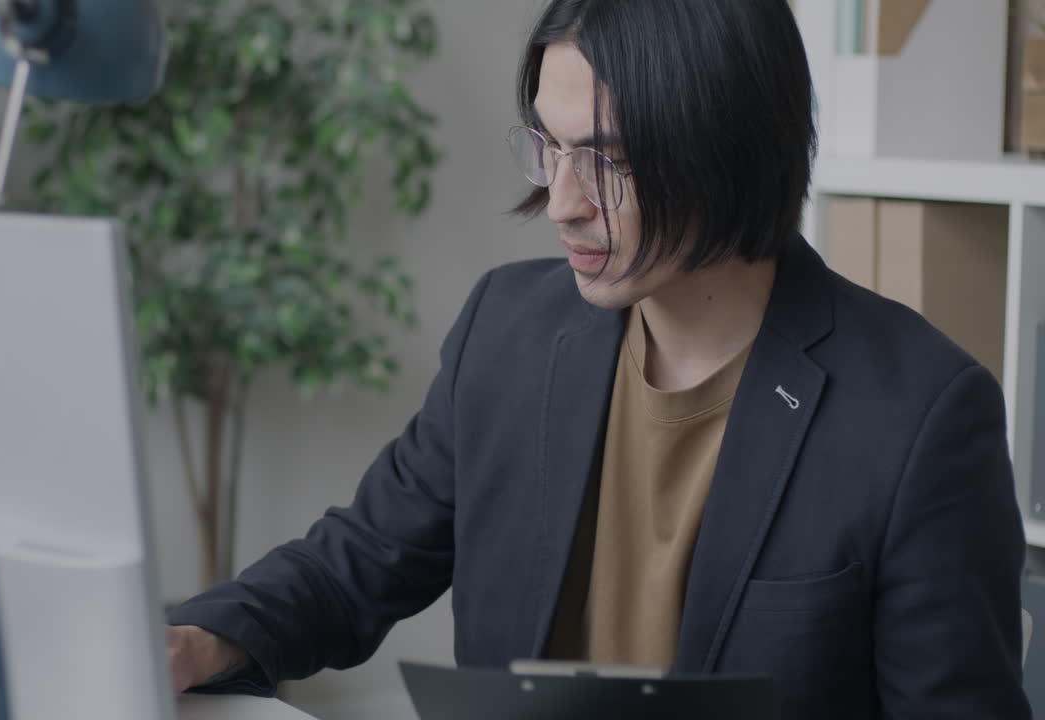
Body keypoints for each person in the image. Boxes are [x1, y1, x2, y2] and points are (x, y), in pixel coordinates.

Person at [165, 1, 1031, 717]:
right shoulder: (506, 332)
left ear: (729, 146)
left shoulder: (920, 415)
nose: (563, 203)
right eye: (548, 147)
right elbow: (352, 569)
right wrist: (198, 640)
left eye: (608, 159)